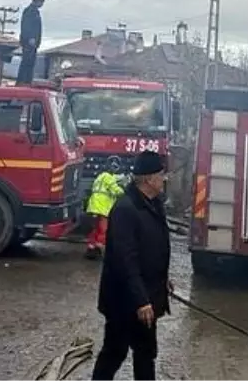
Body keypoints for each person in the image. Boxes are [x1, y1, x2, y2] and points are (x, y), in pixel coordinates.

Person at [91, 152, 172, 381]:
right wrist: (141, 300)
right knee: (115, 352)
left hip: (147, 294)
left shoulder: (154, 205)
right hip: (124, 300)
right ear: (148, 179)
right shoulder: (126, 209)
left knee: (146, 353)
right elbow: (125, 260)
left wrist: (162, 279)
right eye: (161, 175)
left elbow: (155, 248)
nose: (164, 179)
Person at [85, 170, 126, 259]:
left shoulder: (99, 177)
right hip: (102, 208)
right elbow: (116, 191)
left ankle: (91, 248)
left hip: (93, 206)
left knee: (94, 229)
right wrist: (124, 191)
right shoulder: (109, 178)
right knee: (103, 229)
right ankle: (99, 249)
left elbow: (116, 177)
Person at [16, 0, 45, 85]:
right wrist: (30, 38)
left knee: (31, 63)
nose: (42, 5)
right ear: (38, 1)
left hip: (34, 43)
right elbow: (26, 26)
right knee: (26, 61)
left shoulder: (36, 12)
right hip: (29, 42)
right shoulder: (29, 11)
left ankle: (27, 81)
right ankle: (22, 81)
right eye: (42, 2)